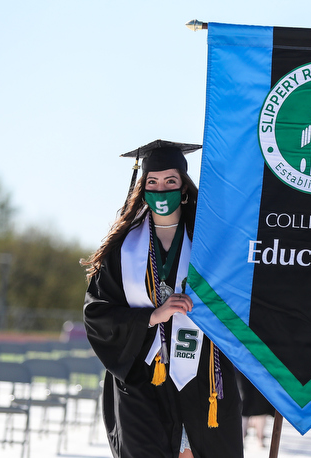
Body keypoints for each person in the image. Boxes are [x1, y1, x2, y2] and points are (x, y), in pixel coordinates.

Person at [81, 140, 243, 458]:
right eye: (152, 182)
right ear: (143, 189)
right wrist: (151, 317)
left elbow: (243, 299)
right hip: (142, 379)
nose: (161, 189)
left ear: (183, 187)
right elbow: (96, 315)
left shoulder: (212, 243)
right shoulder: (123, 249)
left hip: (203, 375)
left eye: (170, 181)